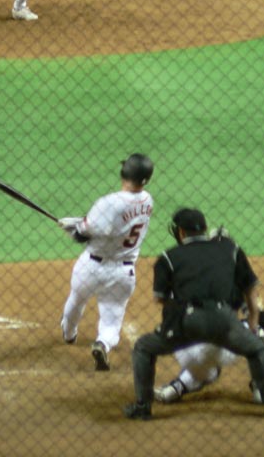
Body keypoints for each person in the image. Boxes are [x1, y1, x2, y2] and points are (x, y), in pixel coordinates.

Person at [124, 208, 264, 420]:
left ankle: (143, 407)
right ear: (204, 228)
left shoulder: (169, 257)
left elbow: (161, 299)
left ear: (181, 232)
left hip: (188, 323)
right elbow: (250, 288)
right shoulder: (230, 249)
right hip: (224, 320)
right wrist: (254, 322)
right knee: (257, 348)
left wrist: (176, 318)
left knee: (143, 347)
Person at [59, 154, 154, 371]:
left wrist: (74, 227)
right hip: (123, 272)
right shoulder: (148, 200)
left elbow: (84, 232)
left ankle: (69, 334)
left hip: (91, 267)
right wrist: (79, 224)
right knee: (112, 317)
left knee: (77, 299)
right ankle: (103, 343)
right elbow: (113, 226)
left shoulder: (109, 202)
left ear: (123, 173)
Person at [154, 288, 264, 404]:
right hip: (216, 344)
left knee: (210, 370)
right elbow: (258, 317)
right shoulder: (232, 277)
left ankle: (175, 388)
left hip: (183, 349)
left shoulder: (183, 273)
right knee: (258, 331)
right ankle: (262, 390)